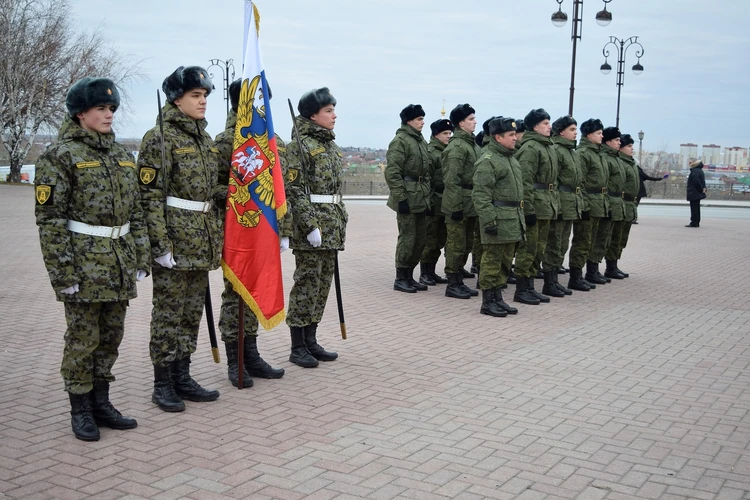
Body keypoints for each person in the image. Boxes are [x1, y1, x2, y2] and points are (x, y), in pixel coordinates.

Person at [35, 77, 149, 441]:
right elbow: (50, 220)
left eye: (111, 108)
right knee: (83, 338)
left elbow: (137, 211)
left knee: (111, 337)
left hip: (118, 262)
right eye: (101, 108)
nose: (108, 114)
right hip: (83, 264)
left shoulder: (121, 156)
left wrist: (141, 255)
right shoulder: (61, 155)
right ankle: (80, 408)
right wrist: (62, 272)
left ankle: (102, 402)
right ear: (81, 113)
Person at [138, 66, 223, 412]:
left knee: (191, 314)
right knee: (168, 315)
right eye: (195, 96)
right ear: (177, 99)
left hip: (200, 240)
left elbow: (207, 190)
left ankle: (182, 375)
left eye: (205, 96)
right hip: (174, 240)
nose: (203, 102)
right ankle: (162, 384)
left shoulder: (203, 138)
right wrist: (159, 245)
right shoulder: (159, 137)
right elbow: (150, 197)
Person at [215, 79, 285, 387]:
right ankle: (236, 359)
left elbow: (283, 190)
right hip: (239, 229)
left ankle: (252, 354)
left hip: (264, 230)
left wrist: (284, 227)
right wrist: (241, 190)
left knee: (256, 287)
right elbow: (211, 188)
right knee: (236, 294)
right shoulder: (225, 142)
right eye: (259, 102)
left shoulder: (271, 141)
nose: (264, 109)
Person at [285, 87, 346, 368]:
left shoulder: (330, 144)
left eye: (333, 109)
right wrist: (309, 225)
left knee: (322, 286)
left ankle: (311, 339)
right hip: (312, 227)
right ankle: (297, 345)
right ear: (313, 115)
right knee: (307, 284)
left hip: (331, 225)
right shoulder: (299, 144)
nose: (334, 115)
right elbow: (294, 189)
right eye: (328, 111)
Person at [472, 117, 525, 317]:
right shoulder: (488, 161)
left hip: (512, 219)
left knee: (504, 261)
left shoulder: (511, 159)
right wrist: (488, 220)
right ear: (497, 137)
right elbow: (480, 195)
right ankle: (487, 301)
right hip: (498, 220)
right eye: (510, 135)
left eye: (514, 134)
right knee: (491, 261)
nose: (515, 138)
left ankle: (498, 298)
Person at [513, 108, 559, 305]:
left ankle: (530, 286)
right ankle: (522, 288)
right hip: (535, 206)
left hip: (546, 204)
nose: (549, 127)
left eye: (549, 123)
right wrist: (528, 209)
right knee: (528, 248)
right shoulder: (531, 148)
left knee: (538, 248)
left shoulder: (547, 147)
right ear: (535, 127)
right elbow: (525, 181)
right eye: (545, 124)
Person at [385, 104, 431, 293]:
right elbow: (393, 172)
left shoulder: (420, 141)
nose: (422, 122)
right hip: (408, 197)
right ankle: (400, 277)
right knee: (408, 238)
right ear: (409, 121)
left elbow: (426, 172)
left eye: (422, 119)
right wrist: (401, 198)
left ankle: (410, 275)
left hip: (420, 197)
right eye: (419, 119)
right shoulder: (400, 141)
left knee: (420, 238)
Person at [441, 104, 481, 299]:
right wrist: (455, 207)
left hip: (470, 203)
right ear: (460, 123)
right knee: (456, 244)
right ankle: (452, 283)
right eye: (471, 119)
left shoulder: (472, 145)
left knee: (466, 244)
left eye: (474, 118)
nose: (475, 122)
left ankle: (459, 280)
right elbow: (452, 180)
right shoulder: (457, 147)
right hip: (459, 204)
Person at [545, 115, 583, 295]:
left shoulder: (571, 152)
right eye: (572, 129)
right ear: (561, 132)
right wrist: (557, 205)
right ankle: (549, 282)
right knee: (554, 242)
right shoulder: (557, 150)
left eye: (576, 129)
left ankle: (554, 280)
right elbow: (554, 180)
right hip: (560, 203)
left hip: (570, 204)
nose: (576, 133)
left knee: (562, 244)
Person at [570, 118, 609, 287]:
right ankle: (576, 276)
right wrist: (584, 205)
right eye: (598, 133)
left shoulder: (598, 153)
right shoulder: (584, 154)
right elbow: (581, 182)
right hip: (589, 203)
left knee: (595, 240)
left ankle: (592, 271)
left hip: (599, 203)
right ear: (589, 135)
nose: (602, 136)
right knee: (582, 241)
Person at [419, 118, 453, 286]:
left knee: (440, 239)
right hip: (433, 201)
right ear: (436, 135)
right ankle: (425, 272)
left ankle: (431, 271)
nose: (448, 136)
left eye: (449, 133)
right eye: (445, 133)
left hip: (444, 202)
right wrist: (429, 203)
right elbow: (427, 180)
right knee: (430, 239)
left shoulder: (447, 151)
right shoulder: (431, 152)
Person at [596, 127, 626, 281]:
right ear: (608, 142)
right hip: (607, 201)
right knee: (601, 238)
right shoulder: (606, 158)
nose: (619, 143)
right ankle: (593, 270)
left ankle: (611, 266)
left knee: (614, 238)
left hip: (617, 202)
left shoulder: (616, 158)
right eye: (616, 140)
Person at [609, 133, 639, 277]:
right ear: (620, 148)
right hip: (621, 202)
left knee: (622, 239)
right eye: (629, 146)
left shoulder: (630, 163)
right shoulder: (621, 163)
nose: (631, 149)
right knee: (615, 238)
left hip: (629, 204)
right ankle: (611, 266)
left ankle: (615, 264)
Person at [686, 159, 706, 227]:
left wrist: (700, 189)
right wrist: (703, 189)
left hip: (694, 192)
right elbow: (702, 181)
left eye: (690, 162)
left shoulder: (694, 171)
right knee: (696, 208)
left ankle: (694, 222)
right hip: (697, 192)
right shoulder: (700, 170)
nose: (689, 163)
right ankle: (696, 221)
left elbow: (696, 181)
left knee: (694, 208)